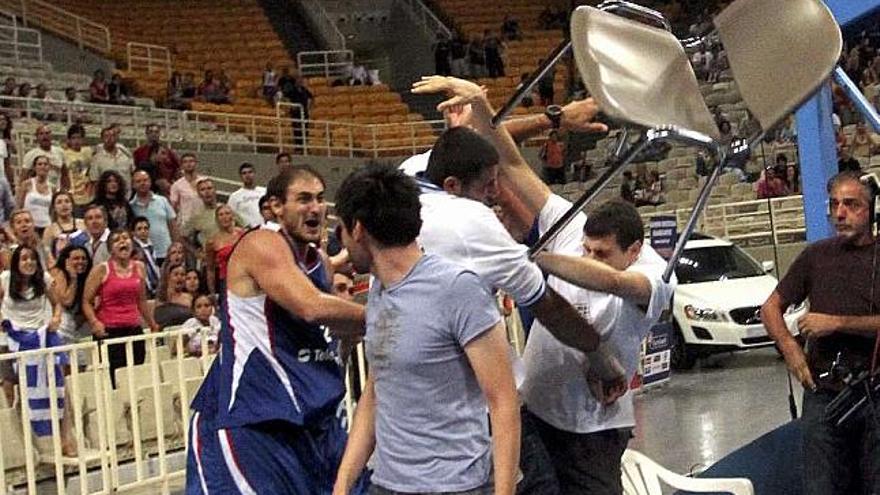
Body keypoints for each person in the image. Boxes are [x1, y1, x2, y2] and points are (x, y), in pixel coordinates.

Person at [333, 165, 520, 495]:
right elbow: (376, 391)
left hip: (455, 487)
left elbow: (503, 401)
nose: (342, 244)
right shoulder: (379, 290)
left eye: (342, 232)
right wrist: (343, 484)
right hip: (386, 484)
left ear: (357, 229)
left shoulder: (457, 289)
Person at [185, 166, 368, 494]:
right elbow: (310, 306)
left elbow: (335, 330)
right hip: (252, 418)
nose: (316, 208)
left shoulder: (319, 261)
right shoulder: (261, 243)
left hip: (311, 417)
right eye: (304, 199)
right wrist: (395, 314)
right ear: (275, 207)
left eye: (320, 199)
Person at [761, 171, 880, 495]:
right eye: (834, 204)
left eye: (851, 204)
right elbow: (770, 308)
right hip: (823, 393)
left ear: (871, 210)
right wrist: (790, 349)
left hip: (874, 392)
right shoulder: (816, 255)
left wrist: (837, 323)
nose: (840, 213)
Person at [82, 229, 158, 387]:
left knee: (135, 376)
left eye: (125, 238)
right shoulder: (101, 269)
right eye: (117, 240)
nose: (122, 241)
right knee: (113, 380)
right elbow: (86, 301)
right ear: (110, 249)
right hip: (109, 331)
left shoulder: (140, 267)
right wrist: (95, 322)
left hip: (133, 329)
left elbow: (141, 301)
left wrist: (152, 324)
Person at [130, 170, 178, 265]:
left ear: (150, 182)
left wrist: (176, 247)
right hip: (144, 255)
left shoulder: (162, 201)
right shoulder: (131, 206)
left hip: (166, 252)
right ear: (133, 185)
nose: (142, 183)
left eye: (145, 180)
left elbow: (173, 226)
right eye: (138, 181)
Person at [50, 245, 92, 346]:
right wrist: (73, 278)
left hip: (79, 330)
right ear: (66, 261)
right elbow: (67, 301)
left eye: (84, 258)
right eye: (76, 258)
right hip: (60, 327)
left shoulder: (89, 276)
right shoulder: (58, 272)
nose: (80, 262)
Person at [204, 204, 244, 296]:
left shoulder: (242, 234)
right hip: (226, 281)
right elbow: (210, 269)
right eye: (221, 214)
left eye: (227, 213)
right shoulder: (212, 242)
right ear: (217, 219)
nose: (224, 217)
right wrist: (212, 292)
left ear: (232, 216)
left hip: (244, 277)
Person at [133, 124, 180, 195]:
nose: (154, 134)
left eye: (156, 132)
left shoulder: (169, 152)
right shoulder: (139, 152)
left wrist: (172, 183)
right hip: (147, 188)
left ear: (159, 134)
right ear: (146, 134)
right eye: (151, 132)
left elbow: (177, 169)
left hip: (166, 188)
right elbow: (137, 171)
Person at [42, 191, 85, 265]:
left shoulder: (83, 224)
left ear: (72, 205)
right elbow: (47, 255)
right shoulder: (49, 230)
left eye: (67, 201)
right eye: (59, 202)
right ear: (54, 208)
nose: (64, 205)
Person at [16, 155, 55, 236]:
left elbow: (52, 211)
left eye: (45, 164)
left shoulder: (52, 188)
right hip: (29, 226)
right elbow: (18, 207)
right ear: (34, 167)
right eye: (39, 164)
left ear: (49, 167)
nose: (42, 166)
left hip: (46, 226)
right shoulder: (27, 184)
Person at [22, 125, 67, 191]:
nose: (44, 136)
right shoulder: (30, 155)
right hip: (37, 192)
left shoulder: (60, 152)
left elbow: (65, 174)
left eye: (47, 133)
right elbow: (23, 178)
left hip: (55, 190)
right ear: (37, 137)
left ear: (51, 135)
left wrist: (65, 190)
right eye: (41, 134)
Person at [62, 124, 93, 213]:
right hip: (73, 196)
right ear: (69, 140)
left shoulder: (88, 151)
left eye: (79, 138)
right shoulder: (65, 154)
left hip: (88, 196)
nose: (76, 141)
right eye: (73, 138)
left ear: (83, 139)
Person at [154, 262, 193, 329]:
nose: (179, 277)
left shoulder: (189, 297)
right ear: (168, 277)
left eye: (182, 275)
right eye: (176, 274)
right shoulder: (162, 297)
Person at [227, 163, 266, 228]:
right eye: (244, 173)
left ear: (254, 174)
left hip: (265, 228)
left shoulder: (264, 191)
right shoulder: (234, 196)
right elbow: (231, 216)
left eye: (250, 172)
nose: (247, 175)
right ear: (240, 176)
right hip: (247, 231)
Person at [169, 153, 203, 228]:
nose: (188, 164)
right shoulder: (177, 185)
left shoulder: (204, 182)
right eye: (185, 162)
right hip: (185, 224)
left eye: (191, 161)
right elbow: (173, 207)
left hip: (203, 221)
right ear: (181, 165)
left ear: (196, 163)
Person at [0, 112, 15, 184]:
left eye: (4, 119)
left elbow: (7, 163)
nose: (3, 122)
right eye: (0, 120)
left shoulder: (7, 136)